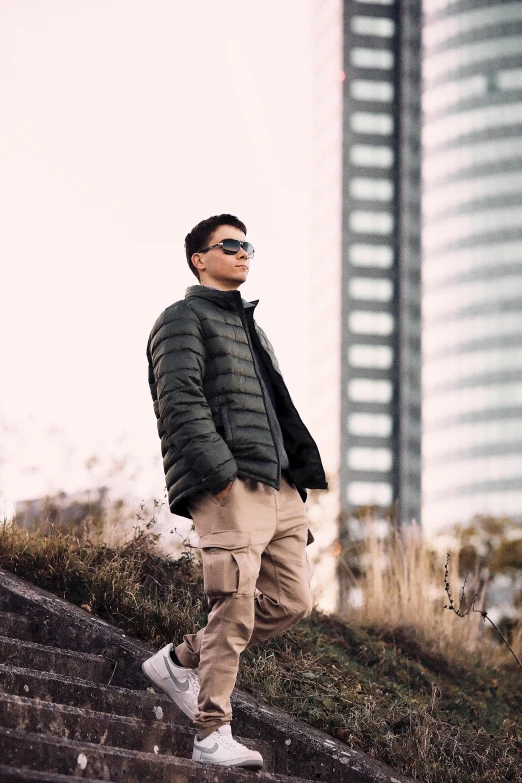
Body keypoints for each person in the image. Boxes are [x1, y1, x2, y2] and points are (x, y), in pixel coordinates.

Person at [142, 214, 328, 769]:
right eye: (230, 245)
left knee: (293, 600)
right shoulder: (180, 319)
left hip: (278, 485)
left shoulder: (252, 328)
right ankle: (210, 734)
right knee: (236, 599)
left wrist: (294, 473)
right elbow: (179, 402)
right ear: (200, 258)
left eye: (247, 244)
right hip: (229, 484)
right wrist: (219, 474)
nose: (244, 252)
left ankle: (181, 660)